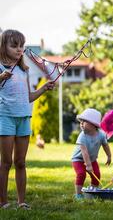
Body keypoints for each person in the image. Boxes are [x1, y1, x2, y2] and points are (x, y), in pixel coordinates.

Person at [0, 29, 55, 209]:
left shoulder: (24, 70)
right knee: (6, 162)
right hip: (5, 117)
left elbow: (27, 97)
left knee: (21, 162)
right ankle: (3, 202)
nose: (19, 49)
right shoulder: (0, 68)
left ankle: (21, 201)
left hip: (24, 117)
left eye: (21, 46)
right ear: (3, 46)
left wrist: (43, 88)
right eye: (14, 45)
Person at [71, 108, 111, 199]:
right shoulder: (82, 136)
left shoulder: (101, 135)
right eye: (81, 121)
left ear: (93, 125)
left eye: (84, 121)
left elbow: (105, 145)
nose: (81, 123)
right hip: (78, 159)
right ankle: (78, 194)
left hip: (92, 159)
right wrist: (88, 165)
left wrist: (109, 156)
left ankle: (92, 191)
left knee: (96, 174)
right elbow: (84, 152)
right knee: (81, 174)